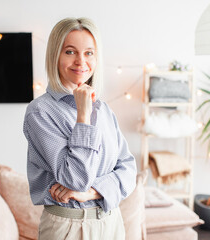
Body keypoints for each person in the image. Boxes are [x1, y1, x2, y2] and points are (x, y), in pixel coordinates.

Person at [23, 17, 137, 240]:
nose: (80, 62)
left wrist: (93, 192)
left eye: (89, 53)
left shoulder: (103, 109)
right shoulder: (40, 112)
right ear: (55, 55)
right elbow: (75, 180)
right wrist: (83, 116)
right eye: (70, 51)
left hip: (111, 222)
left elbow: (129, 169)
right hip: (68, 226)